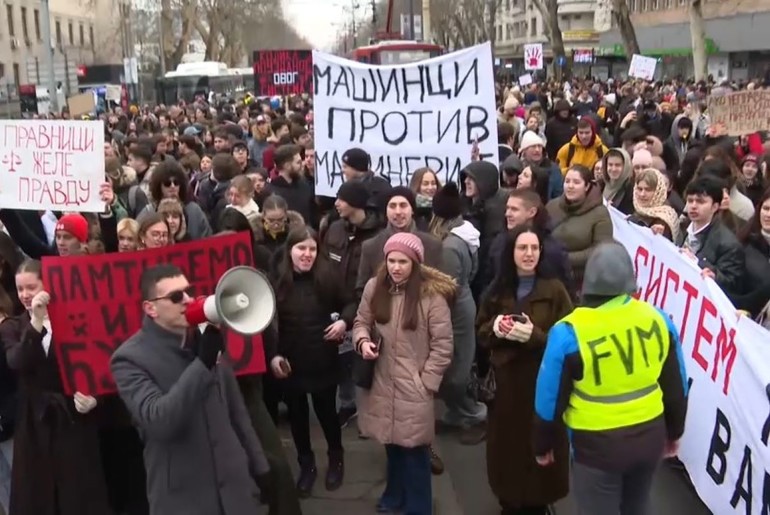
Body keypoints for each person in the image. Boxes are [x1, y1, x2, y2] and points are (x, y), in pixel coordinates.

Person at [533, 243, 688, 515]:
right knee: (638, 506)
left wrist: (542, 445)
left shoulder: (568, 332)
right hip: (650, 437)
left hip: (596, 448)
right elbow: (677, 387)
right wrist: (674, 431)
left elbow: (548, 400)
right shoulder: (658, 320)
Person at [110, 264, 271, 515]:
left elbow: (236, 410)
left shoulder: (203, 337)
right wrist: (201, 365)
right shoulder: (129, 359)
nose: (187, 300)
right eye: (176, 297)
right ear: (150, 308)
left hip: (235, 490)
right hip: (184, 498)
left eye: (188, 291)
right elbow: (159, 420)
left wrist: (259, 467)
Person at [353, 233, 454, 514]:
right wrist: (363, 342)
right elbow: (361, 322)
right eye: (392, 260)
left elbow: (443, 346)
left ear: (415, 264)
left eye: (403, 261)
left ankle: (419, 507)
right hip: (382, 382)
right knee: (391, 446)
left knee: (415, 452)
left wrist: (426, 383)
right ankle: (394, 495)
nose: (396, 267)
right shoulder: (375, 288)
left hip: (414, 387)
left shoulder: (431, 298)